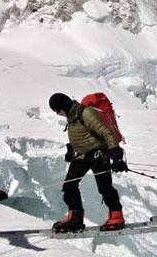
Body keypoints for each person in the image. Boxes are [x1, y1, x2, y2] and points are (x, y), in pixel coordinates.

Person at [48, 93, 128, 232]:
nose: (57, 114)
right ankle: (75, 219)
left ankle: (116, 217)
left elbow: (106, 133)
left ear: (63, 106)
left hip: (98, 154)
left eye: (57, 110)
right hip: (82, 156)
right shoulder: (72, 116)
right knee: (69, 186)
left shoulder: (86, 113)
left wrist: (116, 155)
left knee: (105, 187)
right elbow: (82, 134)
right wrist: (72, 149)